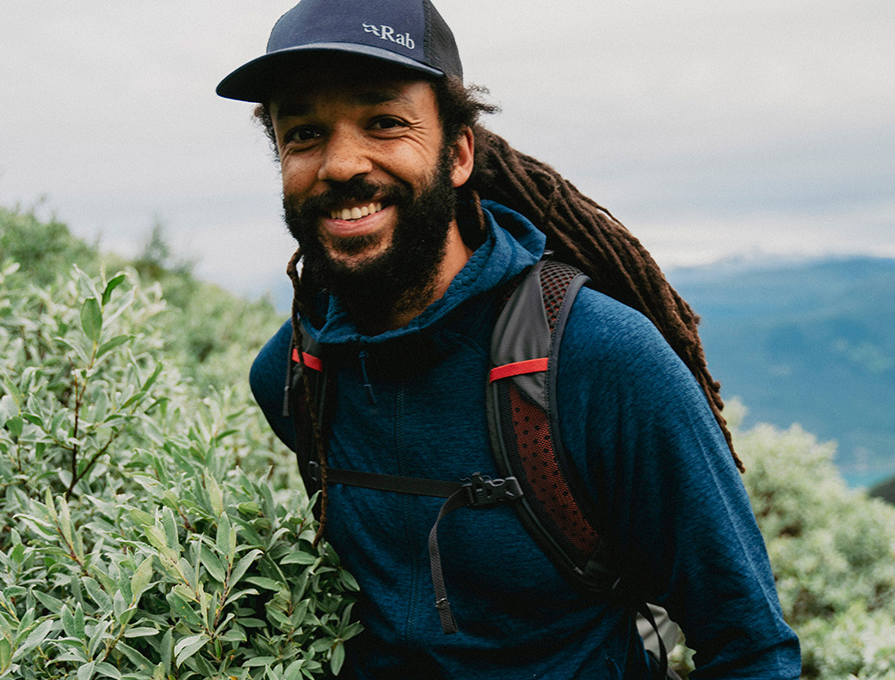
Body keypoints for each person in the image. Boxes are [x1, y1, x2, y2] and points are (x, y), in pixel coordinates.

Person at [216, 0, 801, 677]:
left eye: (384, 123)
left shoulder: (599, 360)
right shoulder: (296, 373)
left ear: (459, 152)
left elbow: (752, 649)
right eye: (305, 134)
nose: (342, 164)